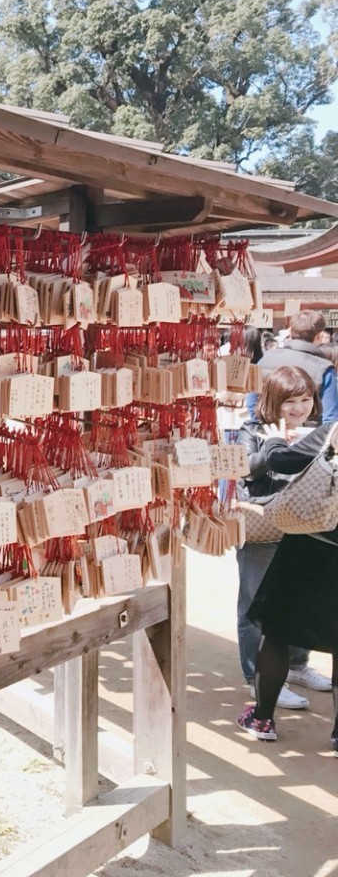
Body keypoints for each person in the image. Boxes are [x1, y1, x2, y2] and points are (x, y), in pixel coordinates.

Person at [238, 418, 338, 752]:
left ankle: (262, 717)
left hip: (311, 544)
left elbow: (284, 461)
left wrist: (276, 440)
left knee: (277, 632)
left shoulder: (335, 429)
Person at [234, 366, 331, 709]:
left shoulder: (316, 431)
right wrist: (275, 446)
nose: (299, 409)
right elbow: (243, 467)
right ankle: (253, 676)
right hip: (261, 527)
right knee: (254, 603)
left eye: (306, 400)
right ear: (273, 400)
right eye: (290, 401)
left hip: (302, 530)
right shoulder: (252, 429)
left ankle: (297, 665)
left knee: (299, 600)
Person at [248, 311, 338, 424]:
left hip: (269, 432)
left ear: (290, 331)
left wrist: (261, 428)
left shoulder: (265, 359)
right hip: (309, 436)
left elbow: (252, 402)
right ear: (319, 336)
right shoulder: (324, 368)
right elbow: (330, 417)